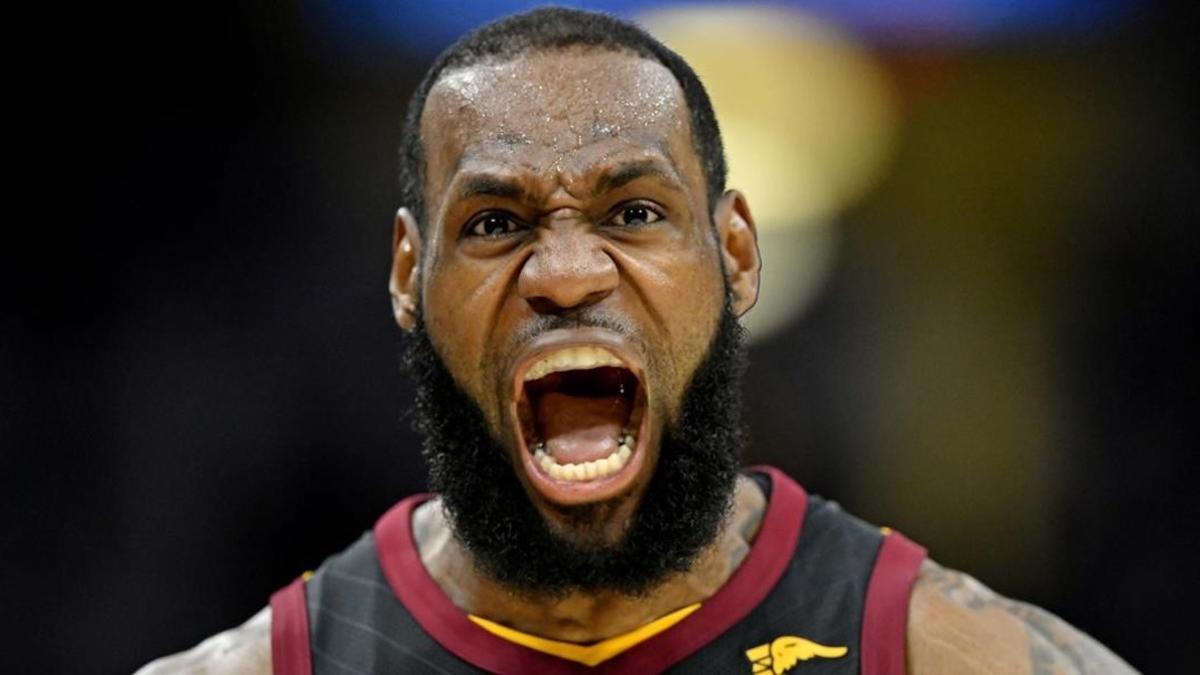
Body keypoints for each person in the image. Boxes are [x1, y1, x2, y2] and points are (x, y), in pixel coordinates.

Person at [138, 7, 1136, 674]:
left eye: (633, 215)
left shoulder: (948, 651)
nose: (567, 275)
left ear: (738, 254)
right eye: (494, 224)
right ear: (409, 276)